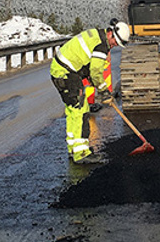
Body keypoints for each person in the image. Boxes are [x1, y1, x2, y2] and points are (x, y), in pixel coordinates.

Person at [50, 18, 130, 164]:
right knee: (81, 110)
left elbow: (88, 67)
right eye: (115, 43)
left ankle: (74, 149)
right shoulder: (101, 46)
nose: (113, 46)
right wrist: (104, 91)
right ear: (112, 34)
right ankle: (81, 154)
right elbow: (96, 72)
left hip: (62, 70)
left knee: (74, 110)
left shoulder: (97, 34)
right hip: (65, 72)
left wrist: (97, 85)